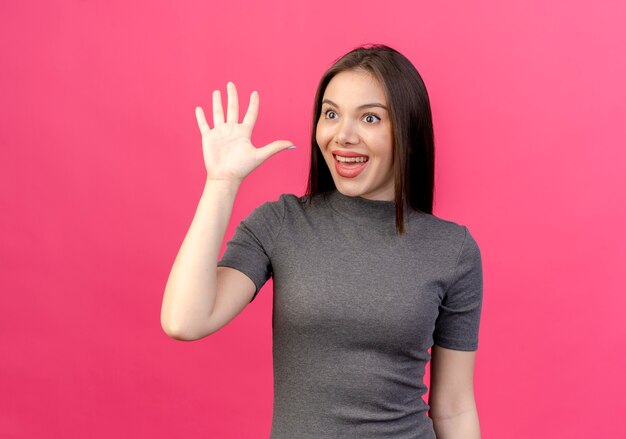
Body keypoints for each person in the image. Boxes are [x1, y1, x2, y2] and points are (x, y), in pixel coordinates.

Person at [161, 45, 483, 439]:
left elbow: (453, 409)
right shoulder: (281, 223)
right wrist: (221, 184)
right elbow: (185, 320)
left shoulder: (452, 251)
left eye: (369, 118)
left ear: (409, 133)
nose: (343, 136)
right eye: (331, 114)